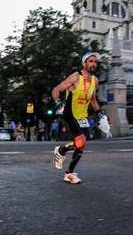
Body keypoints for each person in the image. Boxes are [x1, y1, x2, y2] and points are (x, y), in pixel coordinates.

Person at [51, 51, 105, 184]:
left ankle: (67, 167)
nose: (93, 64)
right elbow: (56, 90)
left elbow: (92, 99)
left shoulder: (95, 81)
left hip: (82, 116)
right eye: (91, 61)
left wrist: (100, 114)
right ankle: (67, 167)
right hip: (69, 114)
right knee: (81, 141)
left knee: (80, 145)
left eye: (95, 62)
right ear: (84, 63)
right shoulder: (75, 77)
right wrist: (58, 103)